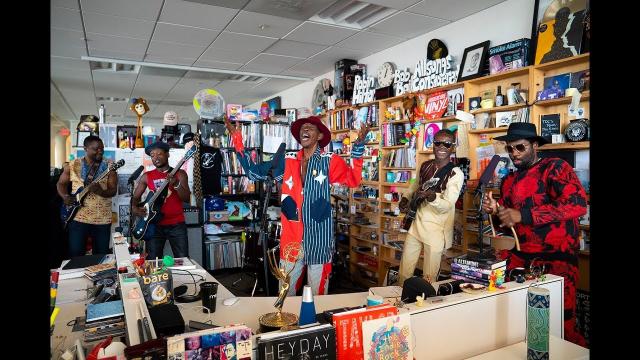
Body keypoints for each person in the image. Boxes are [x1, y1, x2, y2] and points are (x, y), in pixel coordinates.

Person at [225, 115, 369, 295]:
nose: (305, 130)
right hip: (291, 239)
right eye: (302, 128)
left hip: (319, 239)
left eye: (310, 128)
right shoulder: (287, 161)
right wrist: (238, 141)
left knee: (317, 298)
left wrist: (358, 148)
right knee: (285, 296)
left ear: (319, 136)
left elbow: (353, 179)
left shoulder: (329, 160)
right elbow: (253, 173)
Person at [481, 122, 587, 346]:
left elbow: (578, 204)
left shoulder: (555, 167)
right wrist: (497, 211)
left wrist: (524, 215)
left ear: (535, 145)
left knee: (560, 325)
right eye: (510, 149)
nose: (514, 154)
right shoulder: (509, 180)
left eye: (520, 148)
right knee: (519, 323)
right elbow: (508, 223)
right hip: (521, 260)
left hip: (558, 260)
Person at [398, 129, 463, 284]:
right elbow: (414, 185)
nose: (441, 147)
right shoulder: (425, 165)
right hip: (415, 226)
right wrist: (405, 199)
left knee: (429, 278)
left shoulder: (456, 173)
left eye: (447, 144)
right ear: (432, 145)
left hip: (436, 231)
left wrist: (431, 196)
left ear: (452, 147)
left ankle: (425, 306)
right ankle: (399, 304)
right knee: (403, 272)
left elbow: (447, 205)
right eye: (437, 143)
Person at [57, 136, 117, 257]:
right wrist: (65, 197)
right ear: (86, 149)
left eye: (102, 148)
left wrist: (100, 191)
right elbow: (61, 184)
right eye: (96, 149)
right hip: (78, 217)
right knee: (76, 254)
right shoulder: (72, 165)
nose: (100, 151)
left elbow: (113, 191)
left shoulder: (109, 166)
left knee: (100, 256)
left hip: (102, 219)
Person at [132, 142, 190, 259]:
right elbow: (135, 197)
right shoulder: (147, 176)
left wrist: (176, 184)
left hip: (176, 224)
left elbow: (187, 198)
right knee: (153, 260)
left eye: (159, 154)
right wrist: (135, 208)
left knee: (182, 259)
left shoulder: (180, 174)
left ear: (167, 154)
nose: (156, 158)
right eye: (152, 155)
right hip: (154, 225)